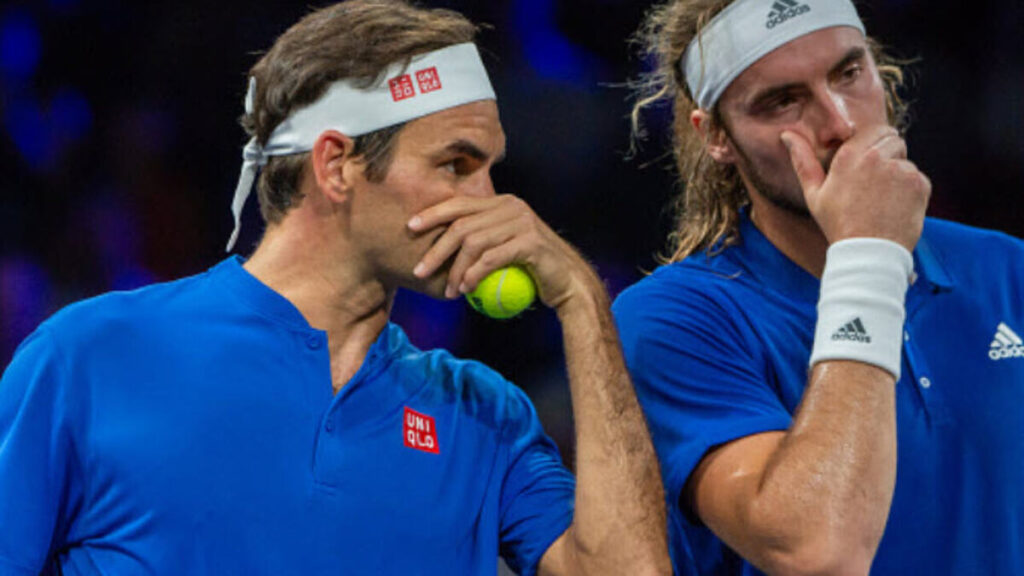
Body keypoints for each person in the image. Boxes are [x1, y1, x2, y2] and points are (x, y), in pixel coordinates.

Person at [0, 2, 672, 574]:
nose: (493, 204)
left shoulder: (487, 415)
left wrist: (582, 301)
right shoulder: (91, 357)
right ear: (337, 166)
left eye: (490, 170)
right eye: (456, 165)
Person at [612, 0, 1024, 574]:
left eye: (848, 73)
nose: (840, 124)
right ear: (717, 138)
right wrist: (870, 254)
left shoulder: (1008, 268)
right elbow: (816, 551)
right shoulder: (671, 319)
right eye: (783, 101)